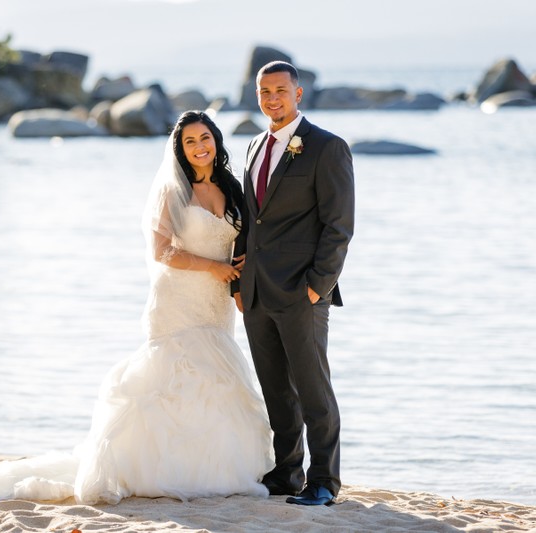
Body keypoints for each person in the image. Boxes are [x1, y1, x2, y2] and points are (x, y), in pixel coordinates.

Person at [0, 111, 273, 505]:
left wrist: (240, 278)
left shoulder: (232, 188)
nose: (200, 147)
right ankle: (156, 468)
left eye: (205, 138)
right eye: (190, 142)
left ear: (216, 139)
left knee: (215, 380)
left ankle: (213, 466)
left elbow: (243, 242)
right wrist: (213, 267)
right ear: (180, 150)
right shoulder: (173, 191)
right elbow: (162, 250)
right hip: (179, 297)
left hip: (216, 301)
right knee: (170, 382)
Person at [231, 61, 355, 507]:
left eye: (280, 90)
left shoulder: (327, 147)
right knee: (276, 390)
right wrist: (239, 283)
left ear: (298, 94)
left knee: (313, 389)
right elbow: (250, 222)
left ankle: (323, 481)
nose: (271, 99)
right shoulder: (252, 147)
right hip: (257, 292)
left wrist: (317, 287)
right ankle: (287, 472)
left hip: (303, 292)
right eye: (264, 92)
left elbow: (338, 226)